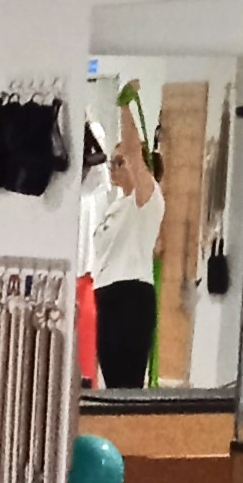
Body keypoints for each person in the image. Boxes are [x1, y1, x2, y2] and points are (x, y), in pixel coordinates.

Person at [86, 99, 162, 389]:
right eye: (112, 162)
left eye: (120, 162)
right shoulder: (116, 206)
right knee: (112, 383)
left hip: (132, 296)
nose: (113, 168)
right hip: (107, 296)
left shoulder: (147, 200)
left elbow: (133, 150)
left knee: (127, 385)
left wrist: (124, 106)